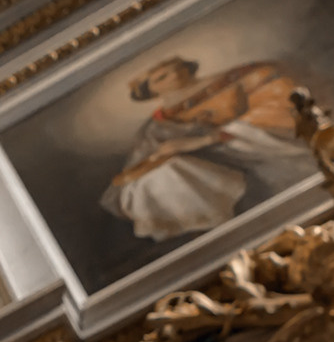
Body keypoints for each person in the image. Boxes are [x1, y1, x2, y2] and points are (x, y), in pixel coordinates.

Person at [101, 56, 309, 240]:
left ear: (188, 67)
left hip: (260, 153)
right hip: (215, 178)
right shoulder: (157, 126)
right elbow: (134, 174)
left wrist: (206, 140)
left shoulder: (243, 77)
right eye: (161, 77)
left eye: (176, 67)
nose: (174, 74)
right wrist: (163, 156)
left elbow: (281, 109)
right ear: (151, 92)